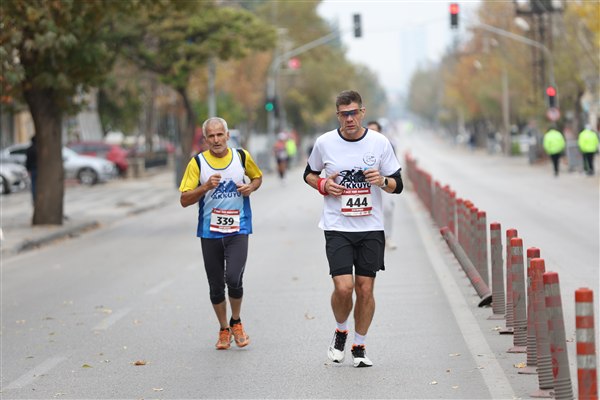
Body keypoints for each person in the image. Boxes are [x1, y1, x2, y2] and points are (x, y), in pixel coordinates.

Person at [304, 90, 403, 368]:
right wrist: (323, 184)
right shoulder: (325, 142)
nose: (349, 119)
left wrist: (381, 181)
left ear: (362, 112)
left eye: (354, 113)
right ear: (338, 115)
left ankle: (359, 345)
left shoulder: (379, 143)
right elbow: (308, 174)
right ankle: (340, 331)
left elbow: (398, 184)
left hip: (371, 227)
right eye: (344, 114)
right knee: (344, 287)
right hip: (337, 226)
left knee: (365, 289)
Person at [179, 117, 262, 350]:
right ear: (205, 140)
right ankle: (224, 328)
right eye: (211, 136)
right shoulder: (197, 163)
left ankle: (236, 321)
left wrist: (250, 187)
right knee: (216, 285)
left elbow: (257, 177)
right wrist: (205, 187)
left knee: (233, 278)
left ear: (227, 136)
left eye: (219, 135)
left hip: (238, 228)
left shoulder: (241, 157)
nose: (216, 140)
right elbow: (184, 199)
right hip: (210, 232)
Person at [367, 121, 397, 250]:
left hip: (384, 182)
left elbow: (394, 167)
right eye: (369, 130)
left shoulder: (387, 145)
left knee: (388, 208)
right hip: (367, 185)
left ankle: (388, 237)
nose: (372, 132)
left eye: (374, 130)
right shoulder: (361, 145)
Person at [25, 135, 37, 203]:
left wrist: (28, 169)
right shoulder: (40, 148)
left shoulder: (29, 149)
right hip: (39, 169)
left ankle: (34, 199)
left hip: (32, 169)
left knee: (33, 185)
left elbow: (28, 161)